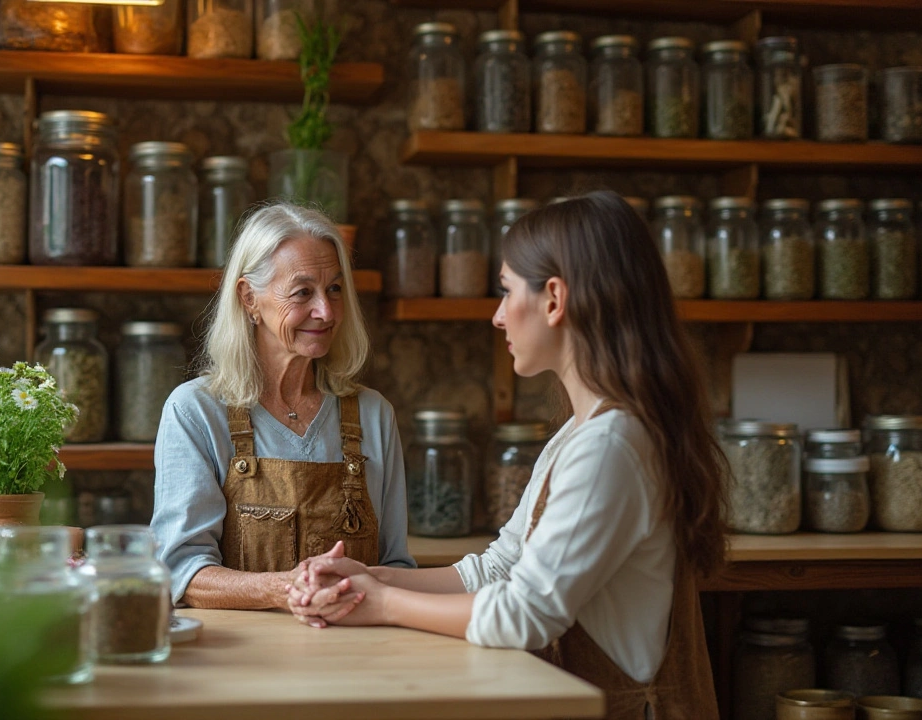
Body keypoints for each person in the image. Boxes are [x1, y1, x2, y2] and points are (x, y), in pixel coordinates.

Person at [289, 191, 728, 720]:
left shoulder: (611, 446)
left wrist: (381, 606)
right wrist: (374, 577)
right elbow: (502, 566)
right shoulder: (582, 433)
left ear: (554, 299)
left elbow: (524, 614)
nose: (497, 317)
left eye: (505, 291)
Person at [151, 202, 415, 610]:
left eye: (334, 289)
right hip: (243, 661)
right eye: (302, 292)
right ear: (249, 298)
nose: (325, 312)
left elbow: (395, 564)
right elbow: (181, 572)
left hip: (356, 657)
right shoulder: (195, 411)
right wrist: (285, 588)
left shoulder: (373, 415)